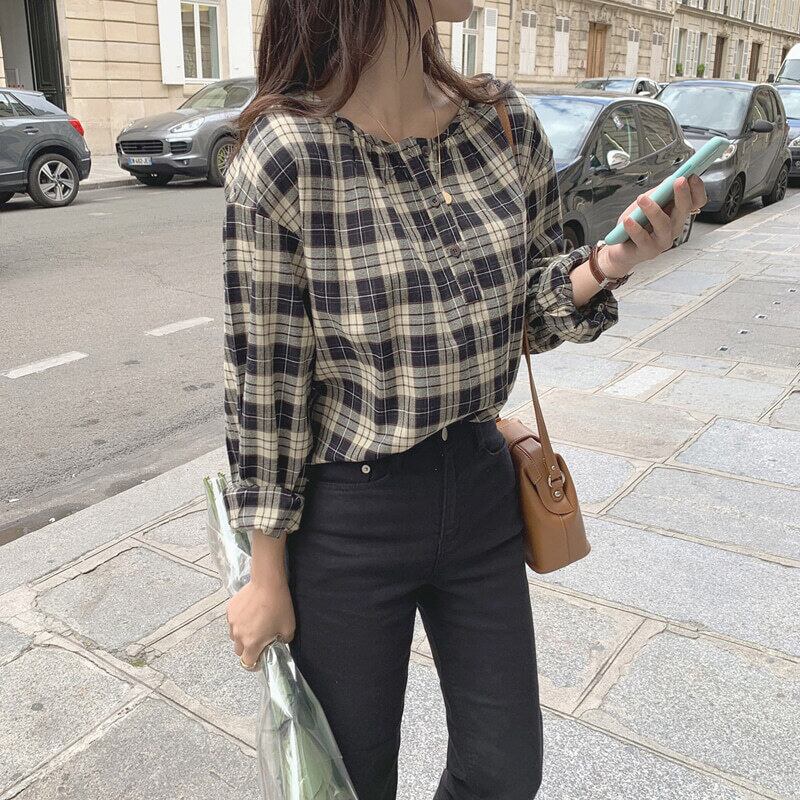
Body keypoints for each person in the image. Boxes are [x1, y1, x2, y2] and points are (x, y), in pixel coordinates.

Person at [222, 1, 707, 798]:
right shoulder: (286, 156)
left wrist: (609, 264)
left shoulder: (502, 125)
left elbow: (530, 312)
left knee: (504, 771)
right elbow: (264, 381)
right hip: (351, 516)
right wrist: (265, 572)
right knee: (349, 782)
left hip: (481, 488)